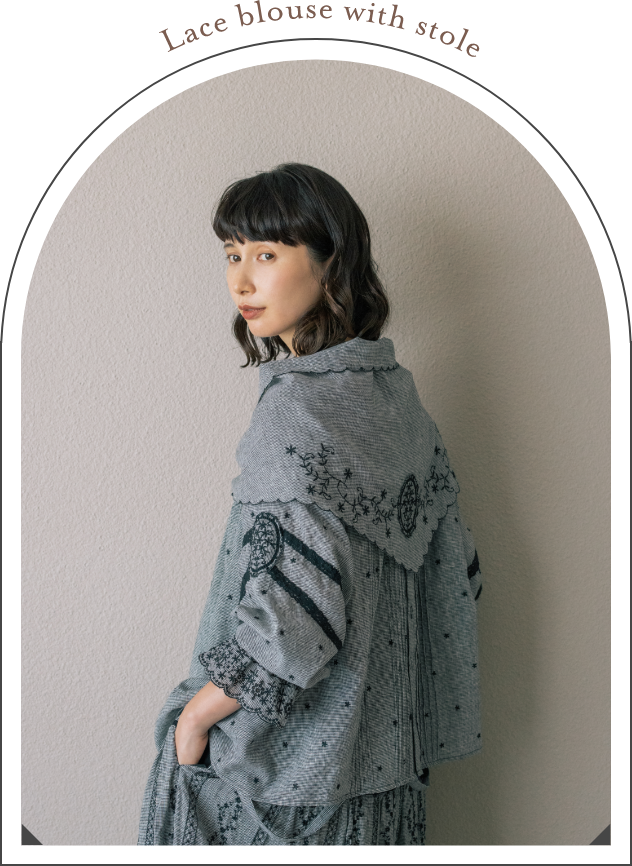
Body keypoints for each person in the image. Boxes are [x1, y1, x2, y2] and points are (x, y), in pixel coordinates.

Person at [137, 163, 483, 846]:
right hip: (384, 778)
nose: (241, 281)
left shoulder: (294, 413)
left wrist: (195, 720)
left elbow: (294, 623)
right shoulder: (397, 400)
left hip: (284, 787)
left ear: (332, 265)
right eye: (232, 255)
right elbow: (462, 574)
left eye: (266, 255)